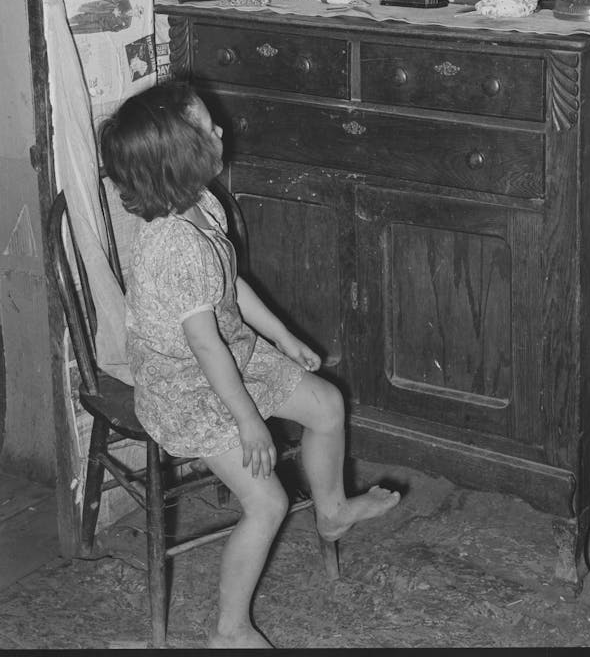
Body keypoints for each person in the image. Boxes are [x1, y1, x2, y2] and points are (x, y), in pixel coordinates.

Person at [99, 82, 400, 649]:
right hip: (189, 391)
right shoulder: (173, 247)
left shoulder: (202, 202)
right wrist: (249, 422)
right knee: (268, 502)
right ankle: (229, 630)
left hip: (228, 355)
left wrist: (283, 337)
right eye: (206, 129)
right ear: (179, 159)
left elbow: (229, 283)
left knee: (327, 405)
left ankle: (333, 510)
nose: (220, 130)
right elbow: (204, 347)